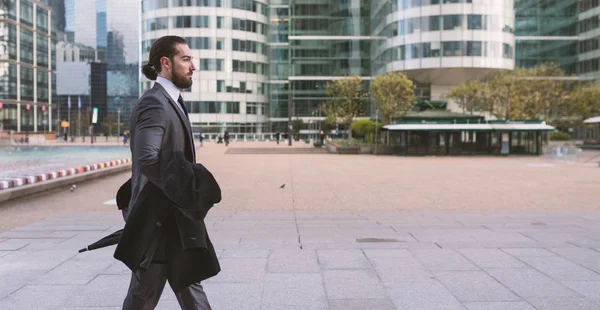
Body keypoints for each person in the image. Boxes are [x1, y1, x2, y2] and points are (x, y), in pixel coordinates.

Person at [114, 35, 220, 310]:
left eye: (191, 59)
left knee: (187, 284)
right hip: (159, 220)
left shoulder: (170, 100)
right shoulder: (155, 103)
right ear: (165, 63)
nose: (192, 66)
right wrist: (186, 190)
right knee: (145, 294)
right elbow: (147, 159)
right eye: (185, 59)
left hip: (172, 217)